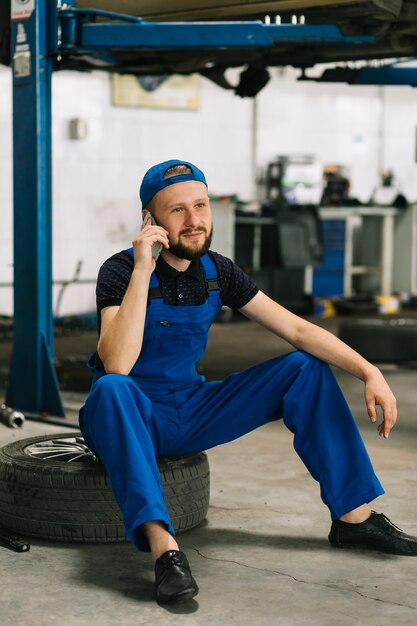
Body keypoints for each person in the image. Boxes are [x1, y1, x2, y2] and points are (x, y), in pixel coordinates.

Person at [79, 159, 417, 605]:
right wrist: (144, 269)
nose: (195, 220)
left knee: (304, 367)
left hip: (191, 408)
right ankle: (165, 550)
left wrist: (369, 371)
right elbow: (118, 364)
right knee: (111, 388)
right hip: (129, 413)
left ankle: (354, 518)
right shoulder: (120, 271)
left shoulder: (219, 272)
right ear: (150, 219)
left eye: (200, 205)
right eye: (177, 210)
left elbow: (297, 329)